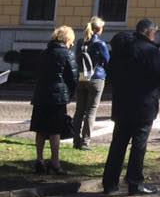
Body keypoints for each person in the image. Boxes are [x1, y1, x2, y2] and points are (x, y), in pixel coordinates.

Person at [102, 18, 160, 195]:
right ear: (149, 32)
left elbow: (111, 73)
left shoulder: (121, 48)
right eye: (155, 33)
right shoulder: (150, 50)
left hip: (122, 103)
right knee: (139, 145)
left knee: (118, 144)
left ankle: (109, 184)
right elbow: (158, 75)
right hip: (143, 105)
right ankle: (134, 183)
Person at [30, 25, 78, 174]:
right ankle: (55, 162)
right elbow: (73, 77)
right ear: (68, 39)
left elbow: (37, 72)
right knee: (55, 130)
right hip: (57, 97)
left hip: (41, 94)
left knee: (40, 128)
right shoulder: (67, 54)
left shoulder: (44, 52)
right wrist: (68, 94)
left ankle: (39, 160)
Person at [73, 16, 110, 150]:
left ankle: (75, 140)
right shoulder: (100, 44)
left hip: (82, 77)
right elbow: (107, 61)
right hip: (96, 78)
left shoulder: (80, 42)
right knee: (91, 111)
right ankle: (85, 142)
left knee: (79, 111)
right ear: (99, 29)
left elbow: (77, 59)